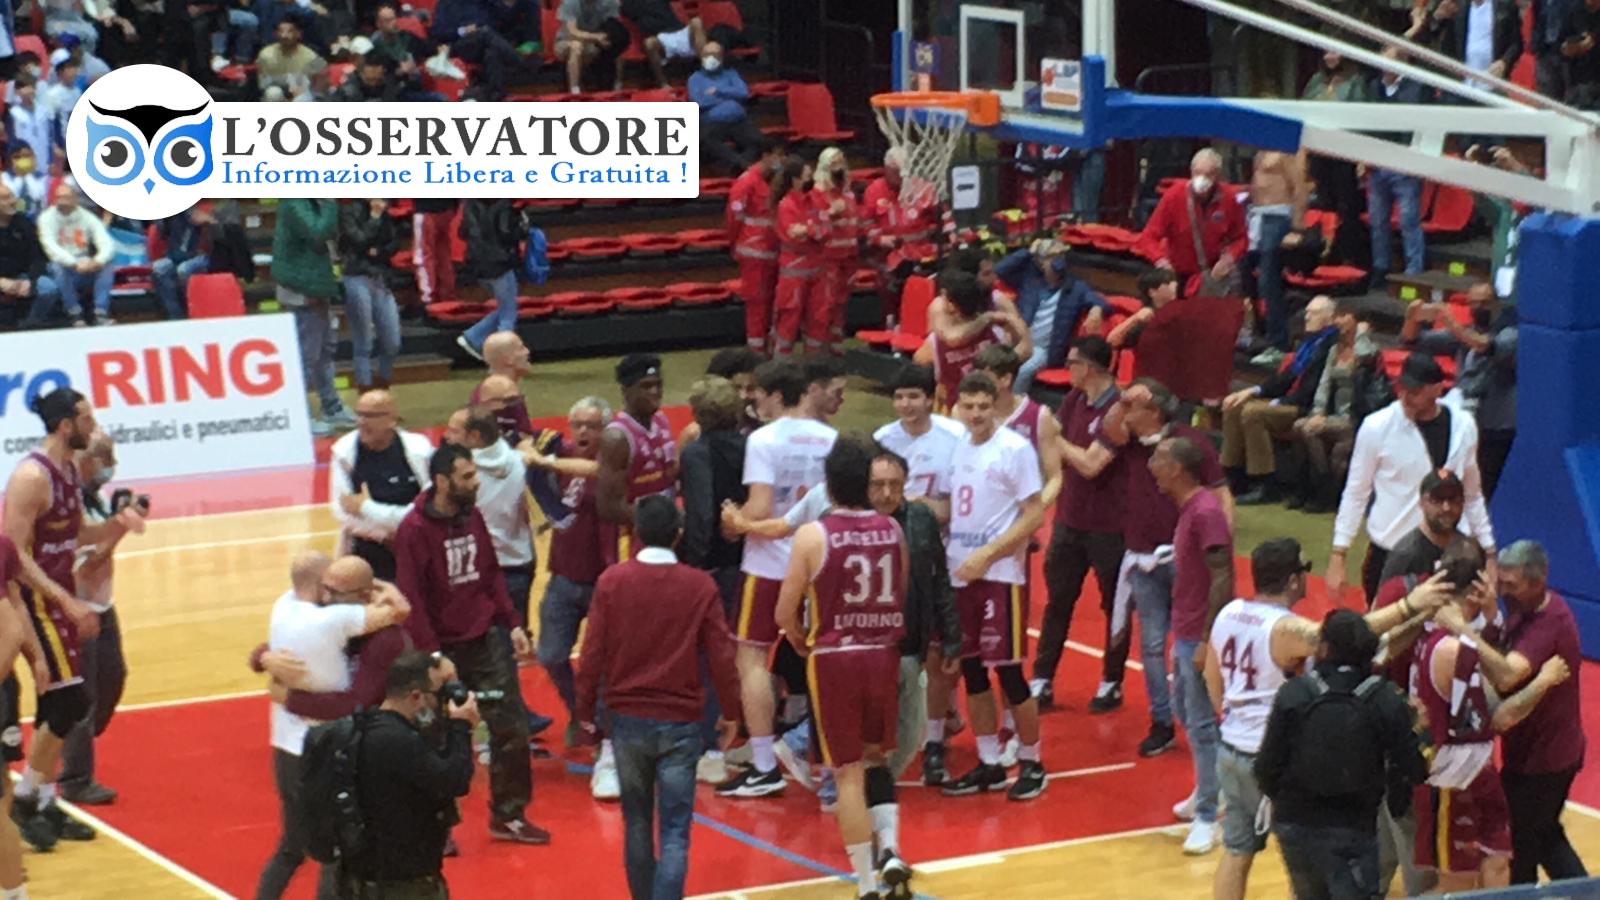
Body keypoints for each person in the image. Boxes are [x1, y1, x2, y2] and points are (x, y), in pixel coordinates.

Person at [1204, 539, 1436, 899]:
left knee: (1236, 852)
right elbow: (1344, 635)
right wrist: (1409, 605)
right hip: (1271, 756)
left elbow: (1211, 678)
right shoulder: (1283, 628)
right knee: (1304, 855)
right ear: (1293, 580)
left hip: (1230, 748)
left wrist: (1234, 721)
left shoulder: (1229, 613)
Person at [577, 495, 741, 900]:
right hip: (681, 722)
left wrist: (585, 712)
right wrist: (731, 711)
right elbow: (722, 655)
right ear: (678, 534)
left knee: (636, 823)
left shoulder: (612, 582)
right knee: (674, 830)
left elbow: (592, 653)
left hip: (627, 720)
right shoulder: (700, 586)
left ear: (635, 532)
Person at [2, 388, 144, 852]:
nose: (93, 425)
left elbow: (79, 533)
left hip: (57, 597)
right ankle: (26, 799)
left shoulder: (67, 470)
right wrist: (64, 599)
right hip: (29, 601)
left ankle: (43, 801)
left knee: (59, 704)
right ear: (65, 425)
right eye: (85, 418)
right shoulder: (32, 476)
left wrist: (120, 523)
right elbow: (12, 555)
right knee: (69, 701)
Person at [775, 437, 914, 900]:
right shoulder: (893, 530)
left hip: (835, 658)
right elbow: (900, 592)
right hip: (883, 652)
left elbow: (784, 613)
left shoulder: (813, 535)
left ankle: (867, 884)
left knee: (846, 773)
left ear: (830, 486)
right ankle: (890, 850)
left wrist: (801, 640)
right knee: (877, 758)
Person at [392, 444, 547, 845]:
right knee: (434, 736)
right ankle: (436, 826)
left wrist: (513, 623)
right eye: (467, 476)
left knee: (511, 727)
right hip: (440, 650)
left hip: (484, 640)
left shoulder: (472, 515)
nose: (476, 482)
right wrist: (434, 657)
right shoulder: (413, 530)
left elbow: (491, 573)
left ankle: (508, 815)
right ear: (442, 481)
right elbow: (412, 599)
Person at [1076, 379, 1231, 764]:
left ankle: (1205, 719)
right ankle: (1163, 721)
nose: (1126, 412)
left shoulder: (1190, 445)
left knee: (1189, 644)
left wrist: (1219, 545)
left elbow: (1221, 494)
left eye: (1134, 406)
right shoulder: (1130, 440)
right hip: (1142, 556)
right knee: (1152, 645)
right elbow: (1108, 429)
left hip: (1184, 561)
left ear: (1155, 412)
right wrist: (1123, 399)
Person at [255, 553, 408, 900]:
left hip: (303, 748)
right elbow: (398, 609)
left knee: (302, 848)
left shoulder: (289, 606)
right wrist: (263, 656)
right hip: (320, 750)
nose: (327, 597)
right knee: (332, 851)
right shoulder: (334, 618)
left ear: (364, 595)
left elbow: (356, 703)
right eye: (325, 588)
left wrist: (288, 696)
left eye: (336, 591)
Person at [717, 359, 837, 798]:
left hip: (769, 563)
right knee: (823, 658)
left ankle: (765, 764)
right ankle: (824, 758)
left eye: (759, 394)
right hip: (818, 559)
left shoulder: (763, 439)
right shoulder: (830, 438)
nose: (754, 401)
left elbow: (761, 507)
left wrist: (733, 520)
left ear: (774, 395)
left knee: (751, 657)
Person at [1255, 610, 1429, 900]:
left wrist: (1287, 805)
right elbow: (1415, 768)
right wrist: (1420, 729)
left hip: (1295, 823)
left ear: (1324, 648)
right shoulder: (1384, 698)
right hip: (1354, 826)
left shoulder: (1294, 693)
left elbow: (1265, 768)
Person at [938, 372, 1047, 802]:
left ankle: (1032, 762)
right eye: (969, 406)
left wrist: (989, 554)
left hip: (1000, 575)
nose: (976, 414)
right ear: (958, 407)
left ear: (995, 405)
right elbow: (953, 506)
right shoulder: (957, 446)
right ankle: (988, 762)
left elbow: (1034, 514)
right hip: (959, 572)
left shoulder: (1015, 449)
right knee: (971, 670)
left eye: (984, 406)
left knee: (1009, 672)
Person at [1327, 352, 1496, 604]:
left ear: (1437, 389)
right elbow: (1356, 491)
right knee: (1383, 625)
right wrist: (1339, 554)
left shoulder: (1464, 426)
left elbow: (1472, 494)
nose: (1405, 396)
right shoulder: (1376, 427)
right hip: (1391, 551)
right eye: (1402, 388)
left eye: (1415, 391)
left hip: (1450, 554)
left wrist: (1489, 551)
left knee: (1450, 626)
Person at [1411, 542, 1514, 892]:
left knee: (1497, 860)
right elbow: (1505, 677)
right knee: (1457, 883)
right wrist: (1470, 628)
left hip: (1479, 768)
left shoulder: (1445, 635)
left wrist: (1490, 617)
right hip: (1452, 776)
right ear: (1478, 586)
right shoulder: (1451, 646)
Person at [1149, 435, 1233, 855]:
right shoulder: (1190, 509)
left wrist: (1206, 640)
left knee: (1199, 722)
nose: (1152, 465)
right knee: (1184, 708)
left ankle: (1208, 816)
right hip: (1185, 627)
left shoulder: (1204, 512)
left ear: (1178, 468)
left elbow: (1223, 574)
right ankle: (1210, 785)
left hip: (1197, 632)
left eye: (1159, 459)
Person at [1035, 337, 1127, 712]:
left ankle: (1112, 681)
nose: (1067, 368)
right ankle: (1042, 678)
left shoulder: (1118, 410)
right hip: (1069, 519)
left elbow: (1091, 465)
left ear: (1088, 367)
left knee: (1114, 607)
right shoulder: (1075, 399)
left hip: (1109, 526)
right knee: (1057, 601)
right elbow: (1050, 439)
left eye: (1072, 362)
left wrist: (1054, 439)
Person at [339, 650, 477, 900]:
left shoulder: (374, 726)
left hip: (371, 876)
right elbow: (454, 781)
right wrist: (461, 726)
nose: (441, 703)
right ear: (416, 696)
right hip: (402, 884)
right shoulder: (398, 740)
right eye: (438, 695)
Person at [1494, 540, 1589, 885]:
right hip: (1533, 753)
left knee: (1522, 847)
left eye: (1511, 584)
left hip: (1545, 761)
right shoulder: (1523, 607)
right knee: (1545, 836)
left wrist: (1460, 629)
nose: (1502, 591)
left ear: (1538, 581)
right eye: (1501, 581)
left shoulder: (1550, 623)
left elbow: (1508, 675)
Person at [526, 397, 609, 750]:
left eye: (593, 425)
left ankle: (601, 724)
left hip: (604, 578)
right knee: (551, 654)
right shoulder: (560, 452)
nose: (583, 431)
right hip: (563, 574)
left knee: (602, 661)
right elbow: (521, 436)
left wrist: (546, 461)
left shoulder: (614, 460)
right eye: (577, 424)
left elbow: (597, 471)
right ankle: (579, 711)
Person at [59, 432, 133, 806]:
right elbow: (87, 566)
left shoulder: (95, 498)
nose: (111, 465)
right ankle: (75, 779)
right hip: (78, 608)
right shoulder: (70, 505)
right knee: (84, 696)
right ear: (86, 461)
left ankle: (66, 741)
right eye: (106, 458)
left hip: (103, 606)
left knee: (114, 677)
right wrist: (121, 528)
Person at [1401, 281, 1518, 499]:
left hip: (1494, 425)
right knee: (1453, 481)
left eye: (1483, 303)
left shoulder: (1510, 332)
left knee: (1483, 489)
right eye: (1472, 303)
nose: (1477, 308)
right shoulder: (1465, 333)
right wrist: (1412, 317)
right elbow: (1412, 340)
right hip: (1463, 418)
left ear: (1495, 304)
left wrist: (1450, 322)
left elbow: (1485, 346)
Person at [1220, 294, 1339, 505]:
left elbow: (1312, 389)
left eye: (1314, 313)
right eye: (1307, 312)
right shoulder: (1309, 343)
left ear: (1329, 318)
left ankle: (1265, 483)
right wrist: (1252, 391)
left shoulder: (1330, 346)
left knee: (1253, 413)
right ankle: (1233, 474)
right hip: (1292, 400)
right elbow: (1286, 377)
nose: (1307, 317)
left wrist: (1280, 402)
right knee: (1234, 406)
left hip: (1308, 407)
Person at [330, 390, 433, 582]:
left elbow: (429, 508)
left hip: (417, 546)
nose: (361, 422)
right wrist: (384, 536)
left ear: (391, 420)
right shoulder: (344, 452)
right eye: (359, 414)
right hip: (368, 553)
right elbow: (343, 511)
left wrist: (367, 508)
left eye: (370, 416)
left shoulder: (419, 449)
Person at [273, 198, 352, 434]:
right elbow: (317, 234)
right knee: (306, 356)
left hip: (316, 285)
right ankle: (301, 415)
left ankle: (331, 407)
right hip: (301, 289)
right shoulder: (294, 201)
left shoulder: (310, 202)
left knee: (324, 352)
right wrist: (329, 204)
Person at [1290, 300, 1378, 512]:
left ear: (1358, 321)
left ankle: (1322, 489)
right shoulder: (1334, 350)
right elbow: (1324, 383)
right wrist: (1318, 412)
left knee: (1309, 431)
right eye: (1337, 315)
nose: (1338, 320)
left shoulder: (1369, 349)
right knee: (1300, 426)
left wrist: (1361, 334)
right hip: (1333, 415)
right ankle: (1309, 486)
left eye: (1344, 315)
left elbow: (1365, 356)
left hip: (1354, 416)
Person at [992, 239, 1107, 393]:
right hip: (1018, 338)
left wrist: (1096, 309)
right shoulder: (1029, 279)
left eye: (1061, 255)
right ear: (1040, 262)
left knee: (1023, 370)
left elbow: (1099, 300)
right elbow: (999, 270)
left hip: (1043, 350)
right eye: (1052, 256)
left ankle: (1014, 403)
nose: (1058, 260)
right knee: (990, 358)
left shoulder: (1075, 287)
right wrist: (1028, 252)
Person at [1133, 148, 1247, 297]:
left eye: (1208, 174)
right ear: (1191, 172)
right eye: (1197, 173)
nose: (1202, 178)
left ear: (1218, 176)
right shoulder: (1174, 196)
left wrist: (1229, 258)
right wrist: (1161, 261)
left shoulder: (1229, 198)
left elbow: (1241, 238)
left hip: (1211, 275)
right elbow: (1148, 237)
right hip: (1178, 275)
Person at [914, 269, 1032, 412]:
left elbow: (919, 364)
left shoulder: (935, 343)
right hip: (988, 413)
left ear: (951, 305)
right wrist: (1016, 323)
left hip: (953, 414)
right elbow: (1023, 352)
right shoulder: (996, 335)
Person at [1366, 46, 1434, 285]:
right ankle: (1380, 267)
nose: (1383, 67)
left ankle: (1414, 267)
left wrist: (1417, 155)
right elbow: (1368, 123)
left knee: (1408, 219)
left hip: (1405, 163)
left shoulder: (1417, 88)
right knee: (1377, 220)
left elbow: (1425, 123)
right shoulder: (1374, 87)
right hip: (1378, 163)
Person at [1243, 150, 1308, 359]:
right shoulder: (1260, 151)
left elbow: (1299, 188)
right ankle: (1257, 332)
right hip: (1256, 216)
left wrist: (1297, 229)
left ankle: (1278, 342)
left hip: (1277, 218)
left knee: (1268, 282)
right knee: (1246, 278)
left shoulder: (1286, 152)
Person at [872, 364, 962, 505]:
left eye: (913, 397)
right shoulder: (882, 439)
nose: (905, 404)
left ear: (930, 399)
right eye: (899, 397)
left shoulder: (956, 435)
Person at [338, 198, 403, 392]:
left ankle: (382, 385)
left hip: (382, 277)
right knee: (364, 340)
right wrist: (374, 217)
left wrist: (378, 251)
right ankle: (365, 390)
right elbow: (359, 241)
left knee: (393, 342)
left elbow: (394, 243)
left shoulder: (385, 212)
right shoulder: (348, 211)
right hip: (356, 276)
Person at [727, 140, 784, 352]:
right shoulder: (746, 183)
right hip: (754, 252)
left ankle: (769, 348)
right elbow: (734, 217)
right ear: (766, 155)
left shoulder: (774, 181)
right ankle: (755, 351)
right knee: (757, 302)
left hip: (774, 250)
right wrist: (734, 243)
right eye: (778, 156)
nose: (781, 161)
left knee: (774, 302)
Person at [771, 156, 830, 357]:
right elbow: (794, 236)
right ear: (795, 179)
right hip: (794, 273)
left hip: (817, 271)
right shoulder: (786, 205)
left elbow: (826, 230)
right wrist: (813, 230)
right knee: (789, 317)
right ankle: (781, 363)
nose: (810, 180)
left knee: (818, 317)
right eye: (806, 176)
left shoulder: (816, 200)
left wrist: (809, 230)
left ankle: (813, 363)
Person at [35, 182, 114, 328]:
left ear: (75, 199)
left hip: (85, 264)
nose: (62, 201)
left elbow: (105, 242)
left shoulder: (87, 217)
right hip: (60, 266)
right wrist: (73, 263)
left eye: (66, 197)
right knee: (57, 266)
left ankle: (101, 313)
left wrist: (97, 261)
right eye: (59, 197)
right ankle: (74, 313)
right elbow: (50, 247)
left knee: (107, 265)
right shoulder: (46, 218)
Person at [455, 198, 522, 362]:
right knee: (508, 314)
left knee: (507, 307)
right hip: (499, 263)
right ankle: (503, 356)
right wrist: (522, 228)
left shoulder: (470, 204)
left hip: (477, 264)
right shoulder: (504, 205)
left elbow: (462, 232)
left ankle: (473, 336)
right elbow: (506, 234)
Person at [688, 41, 763, 175]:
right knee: (706, 141)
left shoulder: (731, 74)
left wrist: (718, 91)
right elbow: (700, 101)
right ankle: (742, 165)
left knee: (758, 141)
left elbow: (743, 92)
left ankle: (738, 168)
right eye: (707, 54)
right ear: (701, 57)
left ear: (721, 58)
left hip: (738, 120)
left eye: (715, 54)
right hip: (713, 122)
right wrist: (730, 97)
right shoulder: (695, 79)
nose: (711, 58)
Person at [813, 147, 860, 356]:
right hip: (828, 258)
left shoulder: (848, 193)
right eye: (834, 163)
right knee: (825, 304)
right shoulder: (817, 193)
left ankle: (836, 343)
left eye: (842, 162)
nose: (839, 167)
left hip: (848, 256)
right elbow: (812, 222)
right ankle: (820, 346)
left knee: (840, 303)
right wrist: (830, 213)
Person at [0, 181, 58, 332]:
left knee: (49, 288)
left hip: (23, 275)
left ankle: (31, 323)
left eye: (12, 196)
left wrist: (29, 280)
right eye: (5, 198)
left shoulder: (24, 223)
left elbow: (38, 257)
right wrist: (2, 282)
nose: (12, 201)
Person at [624, 0, 705, 87]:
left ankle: (708, 71)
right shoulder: (629, 3)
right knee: (649, 43)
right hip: (660, 38)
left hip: (679, 31)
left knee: (696, 22)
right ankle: (663, 84)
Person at [553, 0, 626, 93]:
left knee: (615, 48)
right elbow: (572, 32)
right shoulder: (570, 3)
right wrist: (596, 37)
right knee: (576, 46)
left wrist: (606, 38)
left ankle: (617, 86)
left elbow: (612, 26)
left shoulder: (609, 3)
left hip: (592, 43)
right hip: (565, 41)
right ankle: (574, 90)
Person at [411, 198, 458, 307]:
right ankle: (447, 297)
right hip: (447, 208)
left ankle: (428, 299)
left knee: (424, 256)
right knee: (443, 255)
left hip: (427, 208)